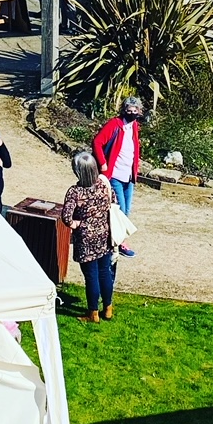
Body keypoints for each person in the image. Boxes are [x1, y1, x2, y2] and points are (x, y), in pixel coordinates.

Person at [62, 150, 117, 323]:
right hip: (104, 234)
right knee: (104, 272)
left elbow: (66, 216)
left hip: (85, 239)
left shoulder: (75, 192)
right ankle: (108, 308)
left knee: (91, 276)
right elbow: (114, 202)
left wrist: (76, 224)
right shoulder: (103, 185)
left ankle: (92, 313)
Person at [92, 96, 143, 258]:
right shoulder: (115, 124)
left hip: (129, 176)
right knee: (119, 210)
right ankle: (120, 243)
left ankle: (118, 239)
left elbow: (134, 148)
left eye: (135, 111)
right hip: (115, 175)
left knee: (126, 211)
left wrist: (136, 167)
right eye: (129, 111)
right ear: (124, 110)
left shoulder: (133, 125)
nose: (132, 113)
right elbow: (97, 142)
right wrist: (103, 163)